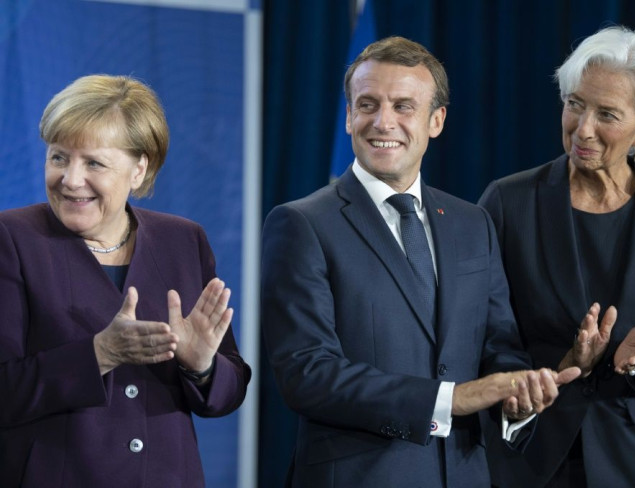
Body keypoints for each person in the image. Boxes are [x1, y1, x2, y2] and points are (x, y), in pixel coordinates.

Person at [261, 36, 580, 488]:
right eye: (367, 104)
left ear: (436, 121)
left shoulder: (473, 223)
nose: (382, 121)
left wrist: (515, 395)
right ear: (349, 115)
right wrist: (451, 399)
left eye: (403, 106)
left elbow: (498, 344)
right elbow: (308, 374)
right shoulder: (301, 224)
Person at [478, 26, 635, 488]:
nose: (582, 128)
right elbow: (480, 332)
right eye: (575, 104)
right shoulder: (507, 202)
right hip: (525, 456)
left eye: (607, 113)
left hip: (631, 465)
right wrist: (544, 376)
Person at [0, 74, 251, 487]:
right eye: (59, 157)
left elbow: (227, 393)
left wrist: (202, 366)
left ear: (139, 168)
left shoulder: (184, 240)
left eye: (94, 162)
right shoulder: (12, 239)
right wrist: (99, 354)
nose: (70, 179)